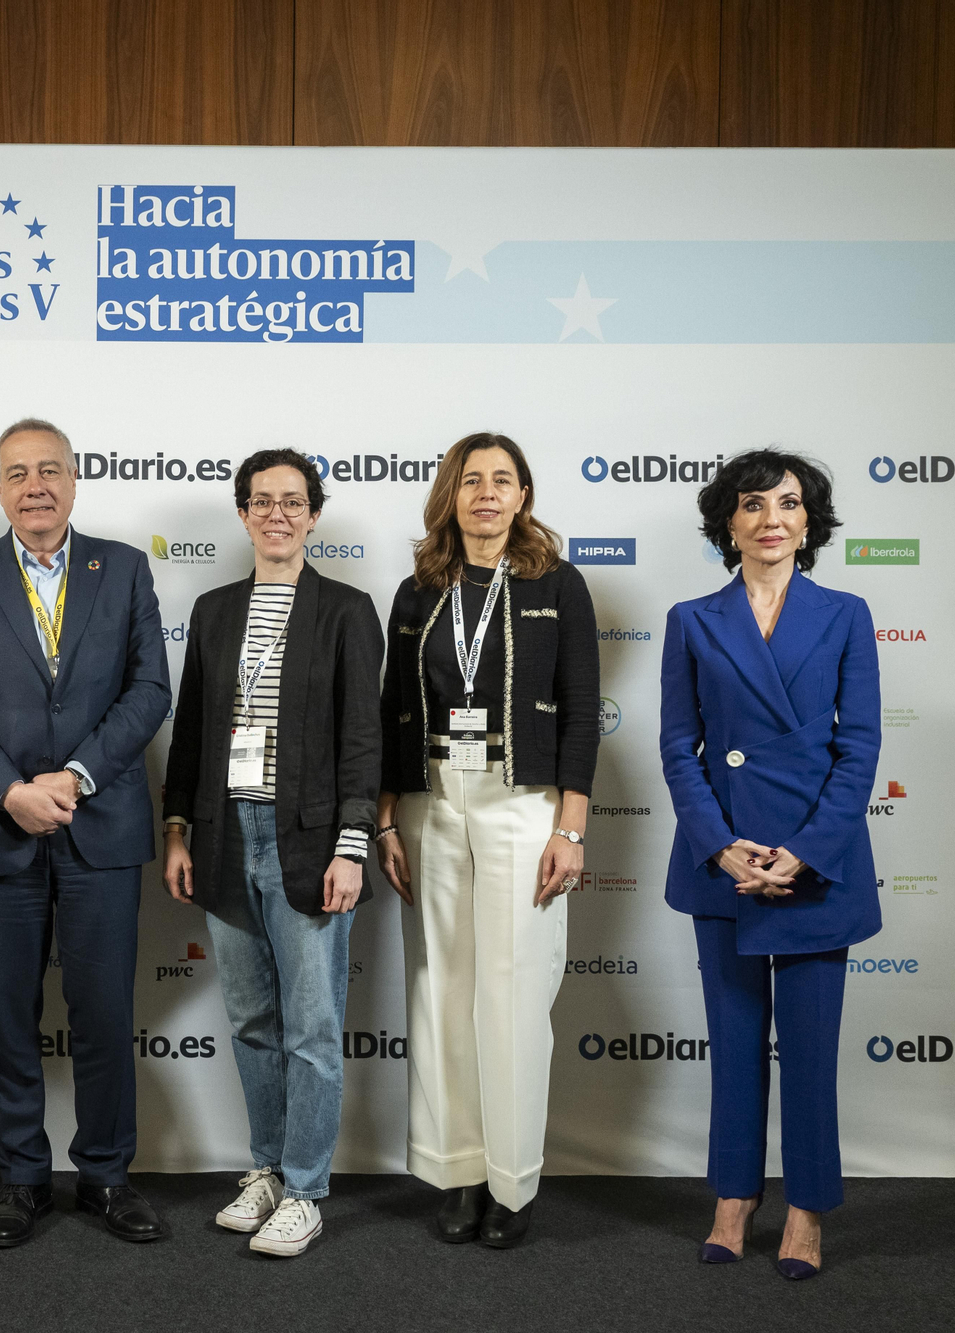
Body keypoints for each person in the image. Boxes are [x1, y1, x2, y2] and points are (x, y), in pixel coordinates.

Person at [0, 418, 171, 1248]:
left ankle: (106, 1175)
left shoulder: (123, 568)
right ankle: (22, 1177)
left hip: (101, 824)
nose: (36, 486)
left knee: (103, 1011)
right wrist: (9, 790)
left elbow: (150, 688)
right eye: (18, 472)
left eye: (50, 470)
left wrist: (76, 775)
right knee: (4, 1017)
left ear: (74, 479)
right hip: (2, 828)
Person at [375, 432, 599, 1249]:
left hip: (521, 800)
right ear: (452, 493)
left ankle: (512, 1178)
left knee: (511, 991)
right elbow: (393, 708)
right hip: (433, 799)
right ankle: (459, 1169)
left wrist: (570, 826)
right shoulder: (418, 590)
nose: (487, 494)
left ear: (523, 495)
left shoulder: (557, 583)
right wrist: (387, 818)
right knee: (442, 987)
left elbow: (582, 707)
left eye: (503, 480)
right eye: (472, 480)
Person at [660, 448, 879, 1282]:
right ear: (729, 523)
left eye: (788, 504)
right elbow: (678, 745)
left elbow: (860, 747)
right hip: (725, 859)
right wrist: (720, 844)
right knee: (735, 1041)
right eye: (753, 505)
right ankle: (733, 1197)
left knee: (812, 1052)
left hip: (817, 864)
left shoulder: (846, 613)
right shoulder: (692, 618)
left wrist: (808, 849)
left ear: (809, 521)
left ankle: (808, 1209)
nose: (772, 519)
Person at [162, 449, 384, 1258]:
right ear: (244, 513)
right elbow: (190, 731)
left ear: (314, 514)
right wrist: (177, 828)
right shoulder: (215, 610)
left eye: (293, 501)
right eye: (262, 501)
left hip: (310, 847)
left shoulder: (346, 610)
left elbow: (362, 739)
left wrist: (352, 847)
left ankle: (307, 1188)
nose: (277, 514)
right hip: (225, 839)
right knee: (253, 1021)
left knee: (312, 1027)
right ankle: (266, 1169)